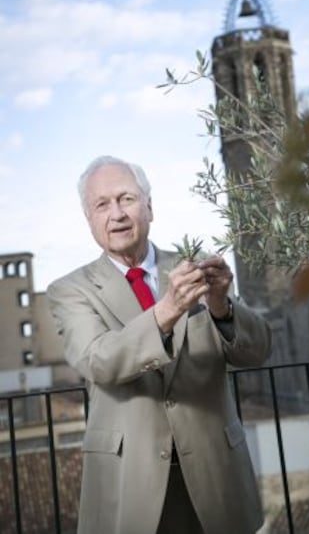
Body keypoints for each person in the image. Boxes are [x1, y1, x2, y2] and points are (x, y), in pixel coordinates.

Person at [47, 155, 271, 534]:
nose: (116, 213)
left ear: (149, 206)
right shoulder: (70, 291)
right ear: (90, 219)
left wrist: (221, 305)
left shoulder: (195, 269)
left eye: (127, 199)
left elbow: (258, 350)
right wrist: (168, 309)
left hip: (216, 475)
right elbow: (100, 360)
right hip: (131, 483)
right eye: (102, 204)